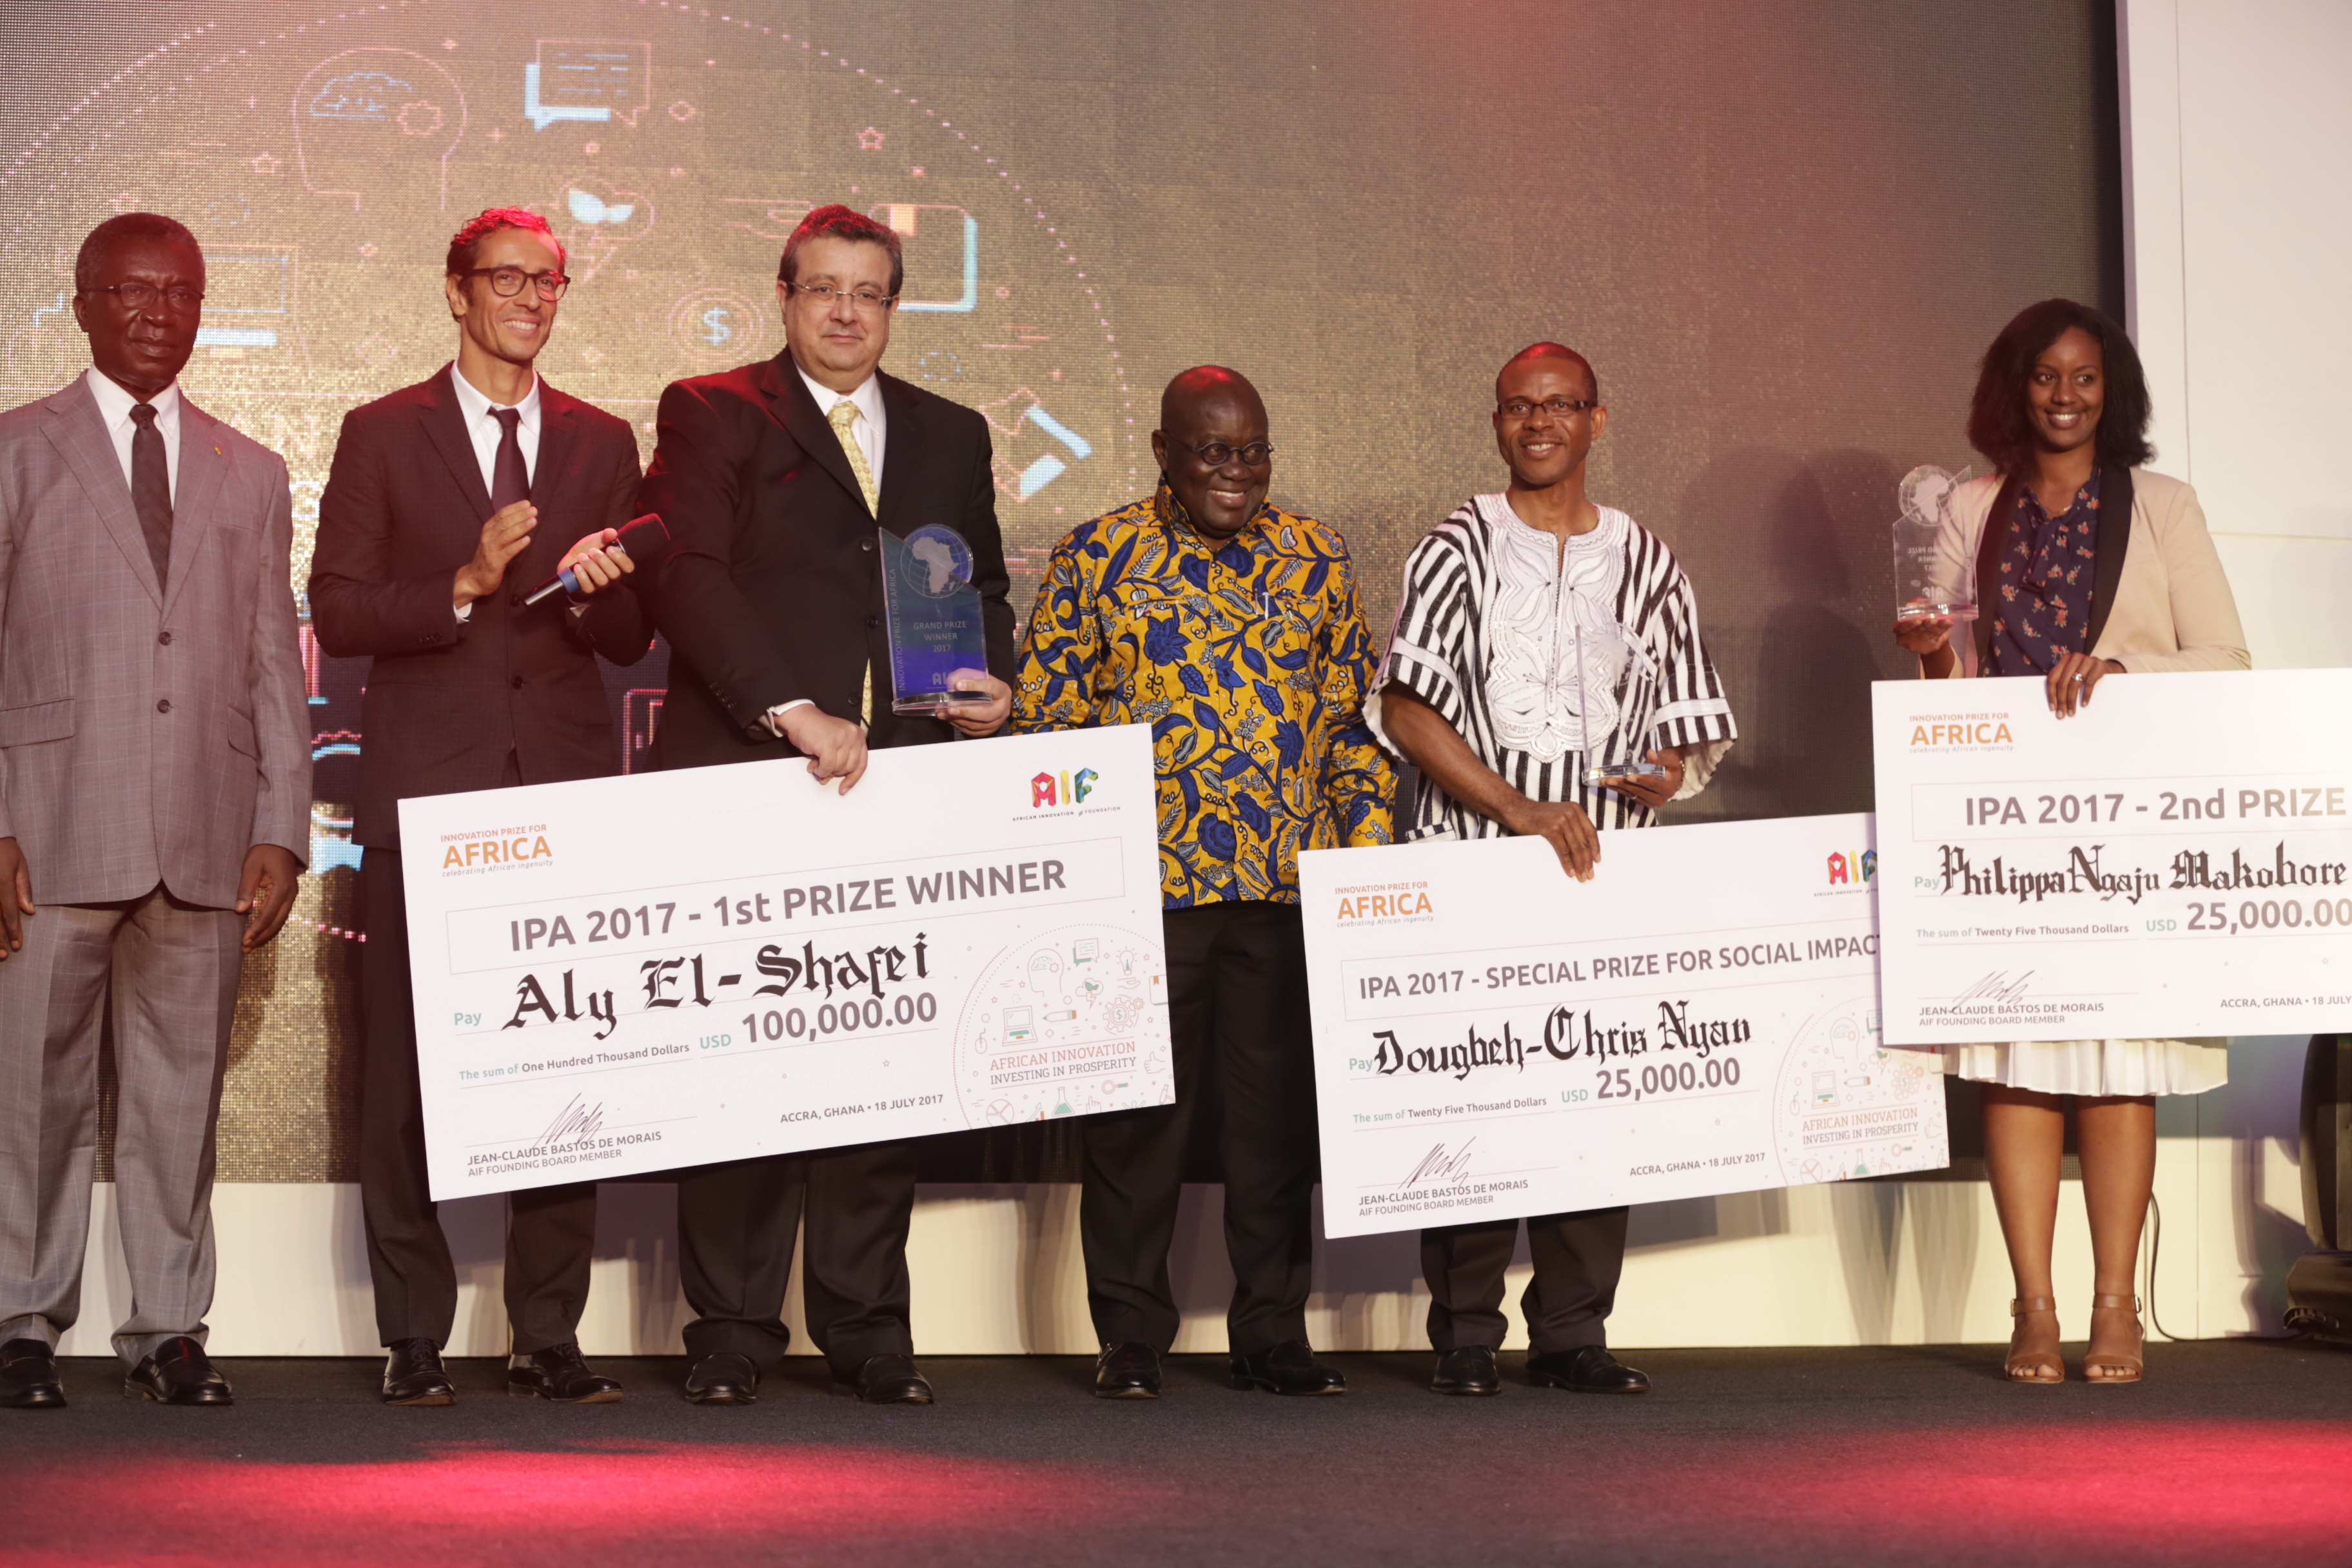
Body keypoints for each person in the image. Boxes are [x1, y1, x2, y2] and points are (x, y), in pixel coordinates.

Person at [636, 203, 1014, 1407]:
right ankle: (735, 1330)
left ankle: (865, 1327)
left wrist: (988, 685)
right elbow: (686, 575)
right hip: (755, 771)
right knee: (740, 1053)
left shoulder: (953, 434)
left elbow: (985, 584)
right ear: (785, 298)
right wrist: (789, 710)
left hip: (901, 784)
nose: (847, 311)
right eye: (823, 289)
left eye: (869, 291)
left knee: (882, 1055)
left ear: (894, 306)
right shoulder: (712, 412)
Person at [310, 207, 652, 1407]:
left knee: (561, 1058)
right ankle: (413, 1335)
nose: (529, 297)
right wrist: (459, 582)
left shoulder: (604, 442)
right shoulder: (381, 433)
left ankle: (545, 1332)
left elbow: (624, 639)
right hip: (426, 794)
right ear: (456, 293)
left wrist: (603, 590)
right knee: (405, 1065)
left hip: (557, 792)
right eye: (505, 278)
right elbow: (342, 609)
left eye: (547, 281)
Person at [1012, 366, 1393, 1400]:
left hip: (1281, 887)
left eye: (1254, 450)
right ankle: (1130, 1336)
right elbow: (1043, 715)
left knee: (1273, 1127)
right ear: (1165, 452)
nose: (1238, 471)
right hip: (1148, 889)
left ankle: (1273, 1332)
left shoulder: (1316, 555)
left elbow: (1354, 721)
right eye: (1215, 451)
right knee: (1139, 1125)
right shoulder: (1102, 554)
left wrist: (1363, 857)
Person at [1370, 342, 1736, 1398]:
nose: (1538, 423)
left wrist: (1667, 772)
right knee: (1476, 1089)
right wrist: (1519, 808)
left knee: (1593, 1092)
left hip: (1603, 874)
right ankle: (1468, 1334)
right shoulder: (1459, 546)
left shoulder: (1649, 559)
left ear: (1596, 421)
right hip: (1477, 856)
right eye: (1518, 407)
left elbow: (1687, 733)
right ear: (1497, 424)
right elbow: (1407, 708)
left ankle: (1573, 1330)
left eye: (1559, 405)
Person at [1893, 299, 2247, 1385]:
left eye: (2085, 378)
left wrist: (2126, 672)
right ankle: (2033, 1311)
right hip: (2003, 820)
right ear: (2016, 386)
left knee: (2117, 1063)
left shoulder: (2165, 506)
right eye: (2045, 377)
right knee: (2019, 1059)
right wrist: (1930, 653)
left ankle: (2114, 1311)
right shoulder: (1973, 504)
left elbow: (2229, 660)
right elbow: (1949, 673)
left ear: (2113, 391)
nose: (2064, 395)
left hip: (2129, 813)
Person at [0, 213, 309, 1410]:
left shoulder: (253, 470)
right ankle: (21, 1321)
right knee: (32, 1092)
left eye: (178, 294)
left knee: (182, 1099)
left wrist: (281, 824)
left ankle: (171, 1327)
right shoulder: (18, 450)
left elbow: (273, 662)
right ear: (80, 303)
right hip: (51, 823)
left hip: (206, 835)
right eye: (129, 293)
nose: (155, 314)